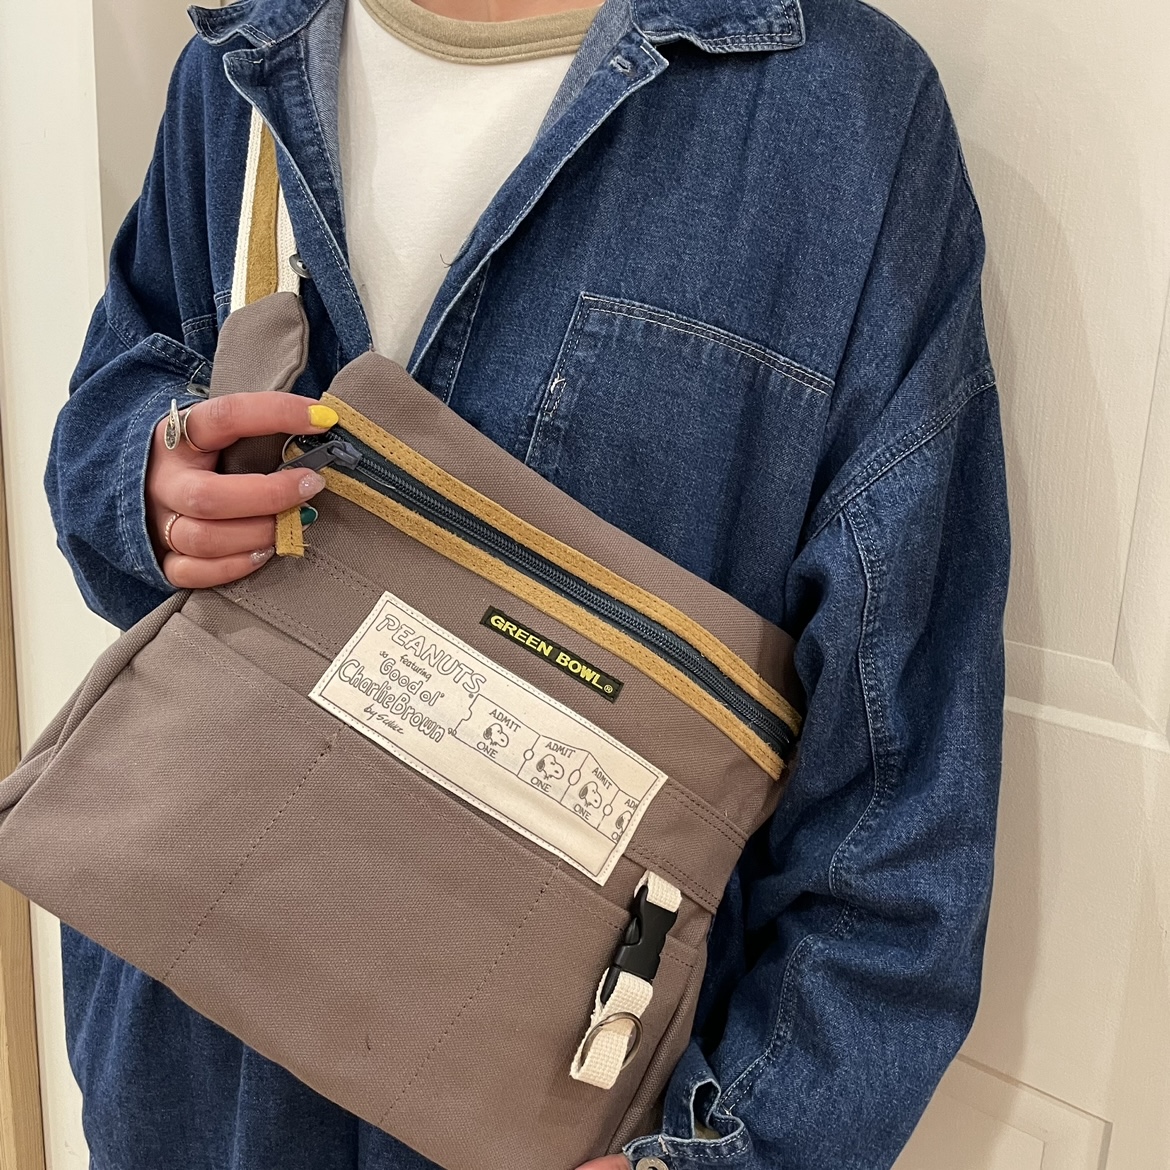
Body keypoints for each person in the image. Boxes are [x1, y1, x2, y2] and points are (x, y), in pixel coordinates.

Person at [44, 0, 1011, 1165]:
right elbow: (124, 376)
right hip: (184, 1048)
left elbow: (901, 783)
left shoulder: (841, 113)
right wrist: (143, 483)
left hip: (530, 1088)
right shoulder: (243, 53)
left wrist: (745, 1148)